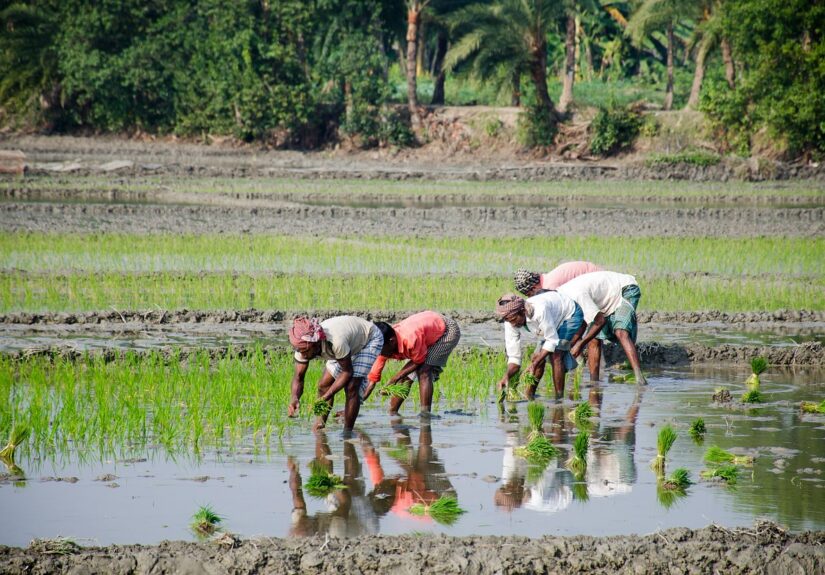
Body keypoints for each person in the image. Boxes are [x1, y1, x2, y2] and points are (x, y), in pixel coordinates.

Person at [288, 315, 383, 431]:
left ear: (316, 343)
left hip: (369, 339)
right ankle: (320, 425)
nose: (303, 355)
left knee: (352, 386)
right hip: (347, 344)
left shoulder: (335, 342)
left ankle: (347, 432)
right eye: (301, 351)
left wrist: (326, 397)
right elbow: (298, 377)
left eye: (306, 351)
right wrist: (295, 398)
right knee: (323, 385)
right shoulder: (303, 347)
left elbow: (347, 372)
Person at [557, 270, 647, 385]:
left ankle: (639, 378)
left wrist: (580, 344)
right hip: (605, 300)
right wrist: (568, 346)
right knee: (593, 339)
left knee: (621, 332)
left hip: (624, 289)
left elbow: (600, 321)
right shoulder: (562, 299)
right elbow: (582, 324)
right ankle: (594, 381)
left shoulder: (576, 295)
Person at [365, 311, 461, 417]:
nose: (378, 352)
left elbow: (418, 361)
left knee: (424, 370)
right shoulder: (381, 347)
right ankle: (392, 413)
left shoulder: (411, 339)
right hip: (426, 330)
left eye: (380, 348)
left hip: (447, 330)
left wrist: (394, 379)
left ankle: (425, 414)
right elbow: (371, 382)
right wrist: (356, 403)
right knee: (405, 377)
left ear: (392, 341)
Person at [495, 291, 583, 399]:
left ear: (523, 311)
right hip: (550, 321)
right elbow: (514, 358)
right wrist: (506, 376)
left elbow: (552, 340)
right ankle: (529, 395)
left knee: (556, 354)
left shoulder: (540, 311)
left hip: (569, 313)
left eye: (514, 320)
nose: (513, 324)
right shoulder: (510, 322)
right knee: (537, 357)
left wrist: (535, 363)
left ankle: (559, 399)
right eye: (509, 321)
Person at [513, 261, 603, 297]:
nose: (531, 297)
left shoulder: (550, 287)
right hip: (594, 274)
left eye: (529, 295)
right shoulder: (547, 278)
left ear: (534, 288)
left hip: (597, 279)